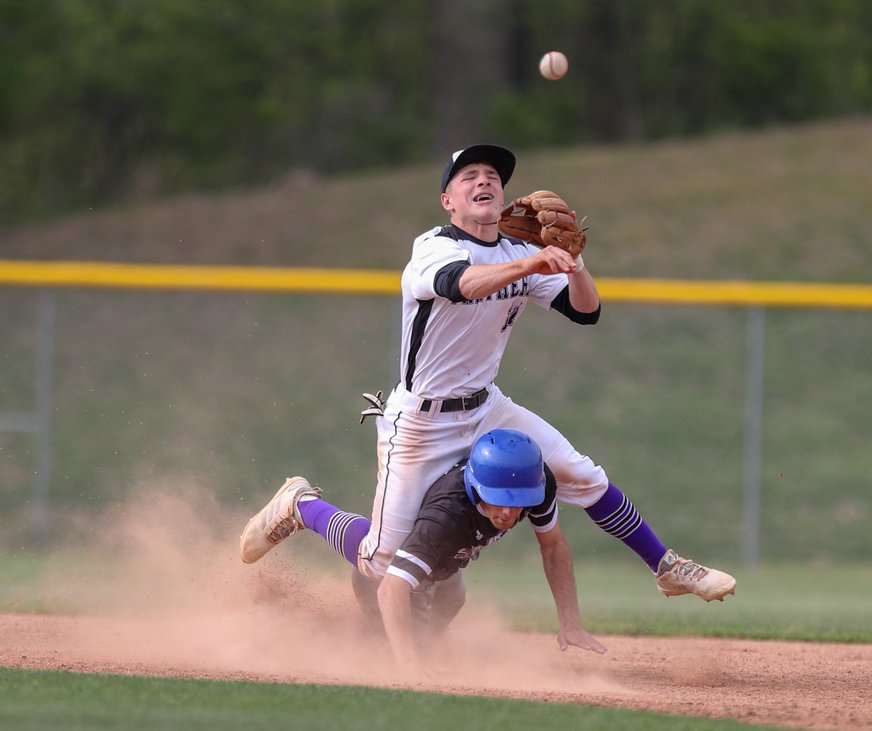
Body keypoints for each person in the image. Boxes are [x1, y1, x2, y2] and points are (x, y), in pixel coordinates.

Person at [240, 143, 734, 624]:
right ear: (448, 201)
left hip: (487, 409)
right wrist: (534, 262)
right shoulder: (433, 248)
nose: (485, 180)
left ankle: (667, 566)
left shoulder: (522, 250)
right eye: (469, 175)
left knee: (582, 475)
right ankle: (302, 506)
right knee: (380, 561)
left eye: (493, 176)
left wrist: (574, 261)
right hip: (420, 422)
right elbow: (464, 284)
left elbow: (586, 311)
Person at [242, 428, 607, 663]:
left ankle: (392, 640)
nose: (510, 511)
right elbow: (392, 588)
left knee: (452, 599)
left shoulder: (536, 483)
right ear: (477, 486)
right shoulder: (446, 516)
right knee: (381, 566)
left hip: (440, 569)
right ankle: (302, 506)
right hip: (383, 581)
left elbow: (554, 547)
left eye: (519, 500)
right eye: (500, 499)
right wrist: (409, 673)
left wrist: (570, 623)